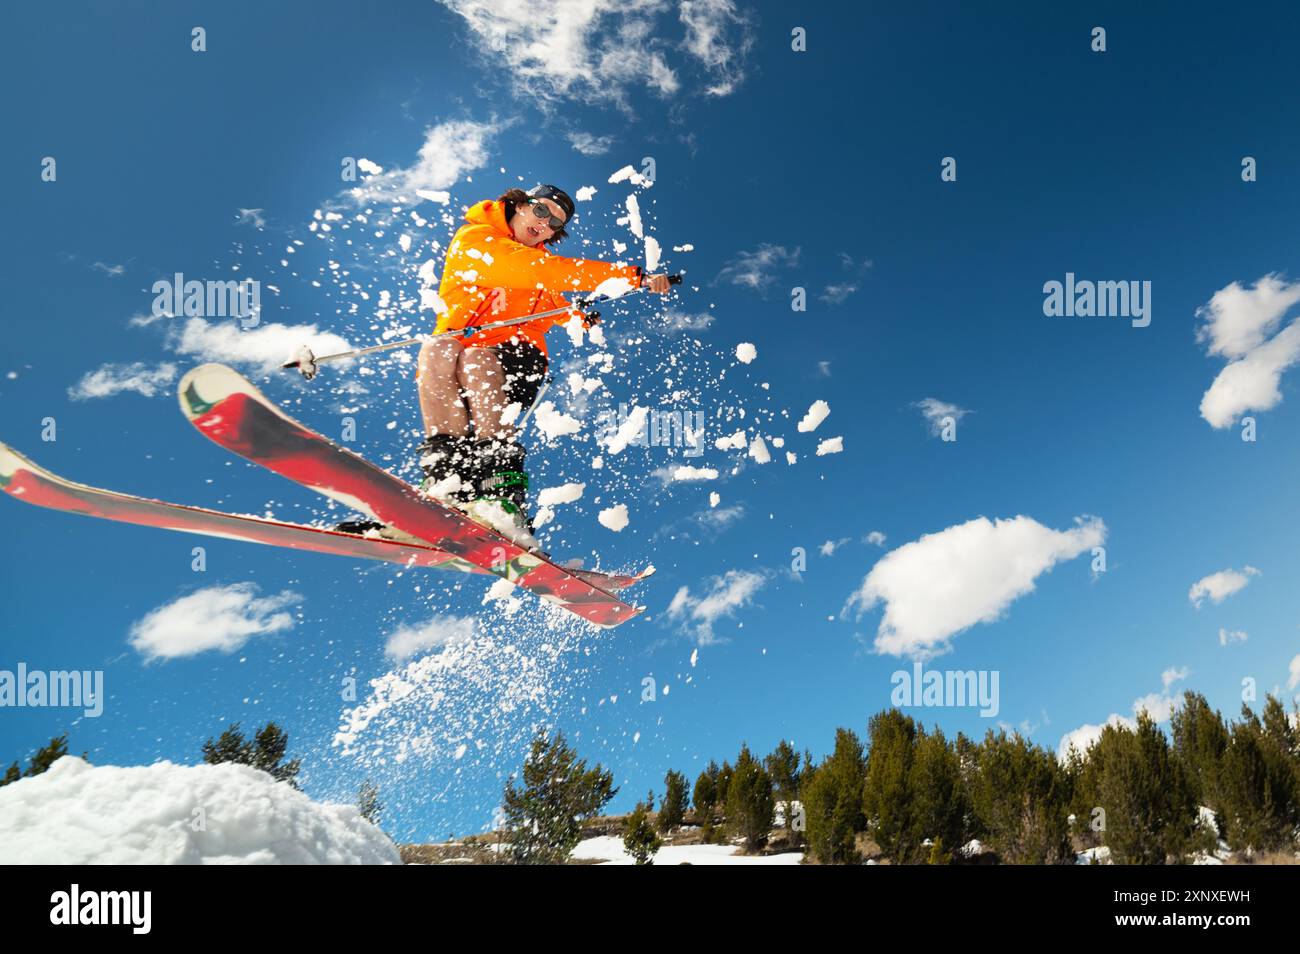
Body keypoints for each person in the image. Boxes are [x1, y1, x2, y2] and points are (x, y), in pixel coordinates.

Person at [414, 184, 672, 547]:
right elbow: (542, 271)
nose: (545, 224)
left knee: (476, 360)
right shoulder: (477, 240)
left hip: (516, 361)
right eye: (542, 211)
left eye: (555, 224)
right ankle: (448, 480)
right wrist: (633, 275)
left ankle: (501, 495)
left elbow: (553, 300)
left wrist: (580, 318)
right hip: (457, 356)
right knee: (437, 349)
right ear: (517, 205)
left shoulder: (536, 264)